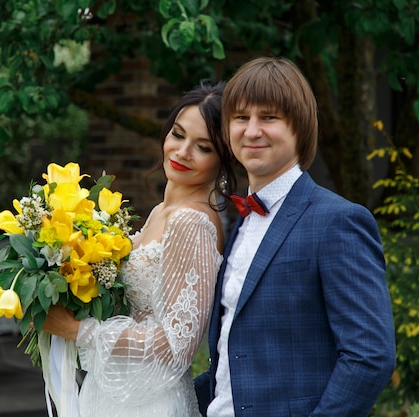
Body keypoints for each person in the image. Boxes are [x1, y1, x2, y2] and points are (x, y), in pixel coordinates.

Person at [194, 57, 397, 417]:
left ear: (299, 128)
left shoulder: (338, 221)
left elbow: (370, 356)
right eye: (241, 118)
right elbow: (232, 361)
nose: (252, 131)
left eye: (268, 117)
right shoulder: (240, 222)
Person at [42, 81, 236, 417]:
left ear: (222, 160)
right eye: (177, 134)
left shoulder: (192, 223)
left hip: (151, 403)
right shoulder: (162, 212)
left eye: (203, 147)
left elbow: (178, 345)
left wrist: (77, 330)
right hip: (114, 391)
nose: (182, 152)